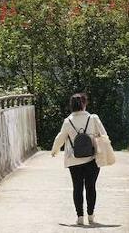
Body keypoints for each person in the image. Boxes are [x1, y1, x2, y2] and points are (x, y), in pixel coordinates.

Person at [51, 92, 106, 226]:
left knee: (77, 187)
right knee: (91, 187)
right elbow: (104, 135)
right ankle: (91, 215)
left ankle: (80, 216)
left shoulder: (68, 121)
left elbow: (60, 137)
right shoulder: (93, 118)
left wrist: (55, 150)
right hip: (92, 159)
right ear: (84, 103)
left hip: (73, 160)